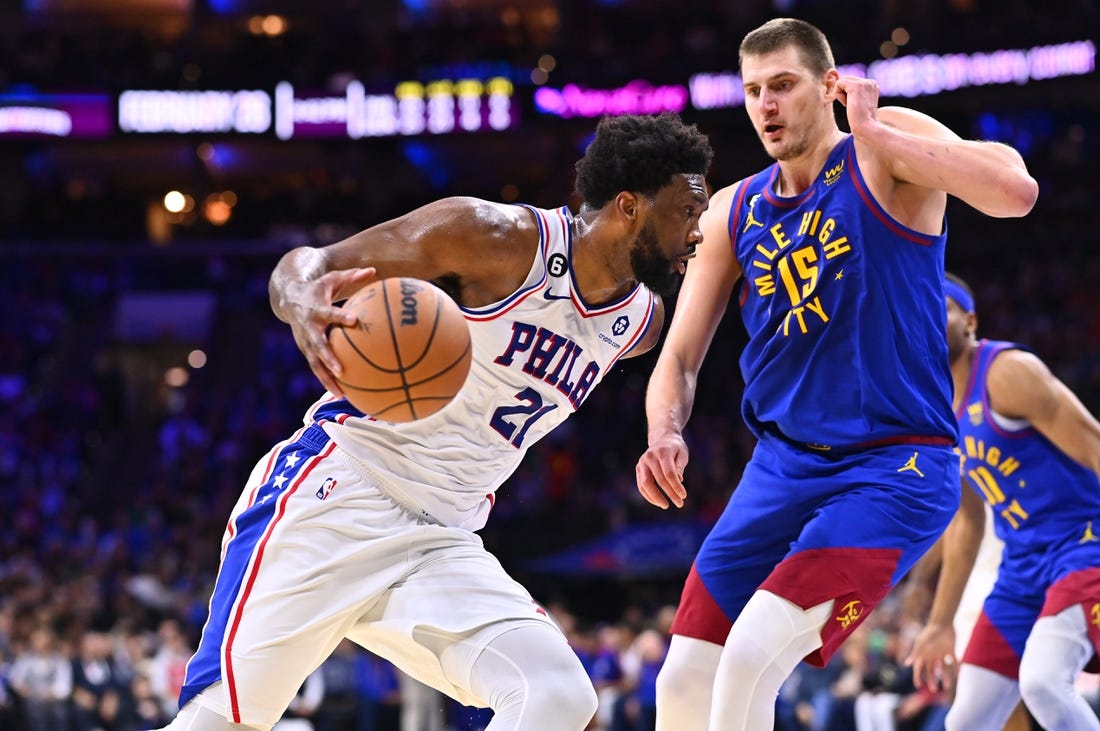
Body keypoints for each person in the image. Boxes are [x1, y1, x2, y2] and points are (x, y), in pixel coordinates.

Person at [156, 111, 713, 731]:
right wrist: (303, 302)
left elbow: (678, 369)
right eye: (687, 212)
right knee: (218, 724)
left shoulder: (638, 324)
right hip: (338, 496)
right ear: (630, 206)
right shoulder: (492, 237)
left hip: (442, 535)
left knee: (558, 696)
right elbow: (306, 264)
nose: (698, 230)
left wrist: (663, 431)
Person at [633, 17, 1038, 731]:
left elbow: (1014, 191)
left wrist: (877, 132)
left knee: (756, 650)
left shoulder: (884, 151)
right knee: (684, 676)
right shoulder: (734, 210)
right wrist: (663, 429)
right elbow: (679, 358)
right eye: (754, 90)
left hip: (896, 465)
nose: (766, 105)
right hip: (780, 468)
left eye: (784, 86)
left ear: (828, 87)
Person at [905, 272, 1100, 731]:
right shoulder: (933, 412)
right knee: (964, 721)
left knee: (1043, 684)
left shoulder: (1006, 372)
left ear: (969, 321)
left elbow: (1094, 445)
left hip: (1084, 544)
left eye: (940, 308)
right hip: (1021, 565)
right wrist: (940, 622)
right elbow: (968, 520)